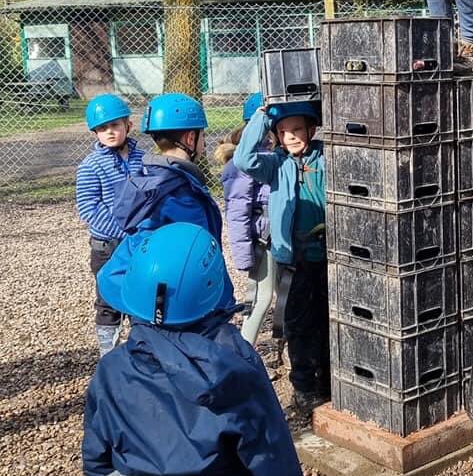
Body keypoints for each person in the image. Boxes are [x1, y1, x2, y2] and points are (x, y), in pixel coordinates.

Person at [82, 222, 312, 476]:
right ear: (213, 290)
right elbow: (269, 450)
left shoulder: (111, 371)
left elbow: (97, 457)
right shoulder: (234, 365)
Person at [234, 101, 328, 415]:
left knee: (329, 321)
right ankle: (303, 388)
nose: (291, 137)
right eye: (284, 132)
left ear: (311, 129)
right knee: (299, 325)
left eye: (297, 129)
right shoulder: (275, 164)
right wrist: (262, 117)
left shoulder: (325, 158)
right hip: (294, 262)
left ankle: (329, 381)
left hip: (328, 258)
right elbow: (243, 158)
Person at [76, 93, 145, 357]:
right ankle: (109, 355)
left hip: (139, 240)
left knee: (140, 294)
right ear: (95, 132)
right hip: (108, 245)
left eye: (115, 125)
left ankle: (142, 349)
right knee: (108, 300)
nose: (110, 132)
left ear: (127, 125)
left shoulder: (142, 159)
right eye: (102, 128)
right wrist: (124, 231)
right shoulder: (91, 166)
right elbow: (89, 208)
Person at [112, 92, 223, 244]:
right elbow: (197, 253)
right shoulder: (184, 195)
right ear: (191, 138)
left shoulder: (145, 179)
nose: (203, 143)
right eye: (202, 136)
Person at [214, 93, 273, 346]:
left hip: (284, 238)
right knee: (261, 298)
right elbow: (237, 213)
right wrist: (245, 256)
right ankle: (244, 353)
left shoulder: (277, 154)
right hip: (264, 242)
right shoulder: (241, 164)